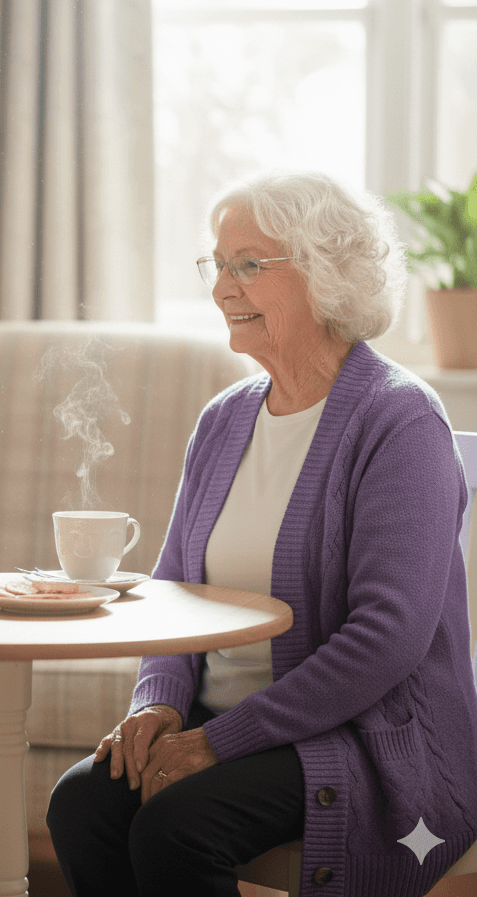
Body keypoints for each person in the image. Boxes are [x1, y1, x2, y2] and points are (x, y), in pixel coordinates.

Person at [46, 169, 477, 897]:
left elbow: (388, 638)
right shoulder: (224, 419)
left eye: (248, 265)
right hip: (228, 718)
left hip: (360, 736)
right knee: (82, 805)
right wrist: (158, 704)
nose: (222, 288)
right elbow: (174, 593)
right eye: (218, 265)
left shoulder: (400, 422)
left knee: (175, 826)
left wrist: (218, 741)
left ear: (329, 276)